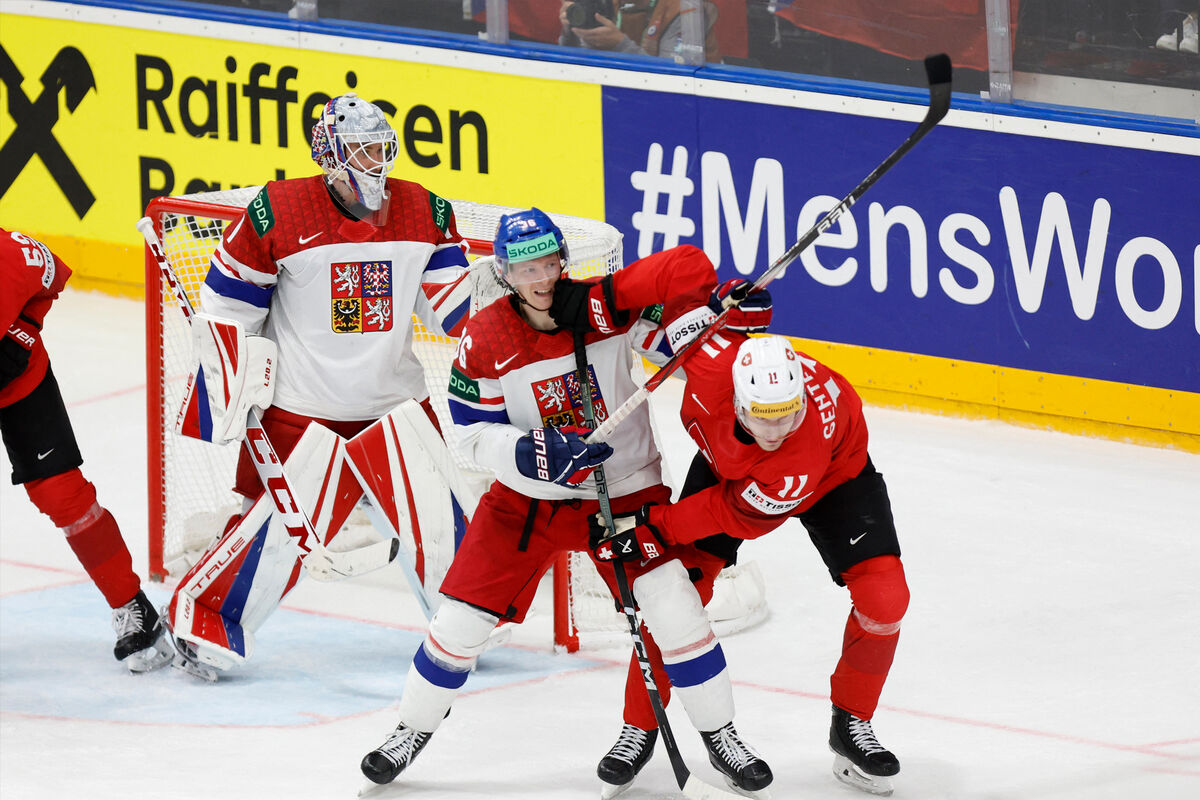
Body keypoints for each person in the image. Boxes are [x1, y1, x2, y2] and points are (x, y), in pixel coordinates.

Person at [359, 209, 773, 797]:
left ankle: (721, 735)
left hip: (624, 490)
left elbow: (675, 343)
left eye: (550, 262)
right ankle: (410, 729)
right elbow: (474, 437)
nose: (542, 277)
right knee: (458, 624)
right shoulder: (484, 338)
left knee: (675, 608)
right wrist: (538, 454)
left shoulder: (602, 309)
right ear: (504, 272)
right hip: (528, 502)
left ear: (563, 261)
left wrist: (722, 316)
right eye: (527, 267)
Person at [550, 244, 910, 796]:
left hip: (835, 477)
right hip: (729, 468)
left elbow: (736, 515)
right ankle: (637, 728)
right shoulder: (711, 358)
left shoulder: (793, 455)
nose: (775, 428)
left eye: (788, 414)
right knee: (677, 592)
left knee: (886, 598)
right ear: (737, 397)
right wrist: (603, 300)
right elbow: (684, 275)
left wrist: (656, 528)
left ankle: (851, 723)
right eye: (763, 416)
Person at [163, 92, 473, 679]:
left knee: (438, 520)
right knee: (273, 532)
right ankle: (201, 618)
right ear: (329, 154)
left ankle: (466, 621)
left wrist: (496, 309)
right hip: (301, 409)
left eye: (382, 147)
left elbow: (449, 310)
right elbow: (227, 307)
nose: (375, 162)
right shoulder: (278, 211)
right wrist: (233, 383)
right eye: (361, 148)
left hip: (395, 404)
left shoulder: (426, 211)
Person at [1, 228, 172, 673]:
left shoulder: (9, 254)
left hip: (18, 383)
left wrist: (23, 331)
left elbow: (53, 271)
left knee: (62, 495)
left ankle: (132, 606)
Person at [559, 0, 721, 63]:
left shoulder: (686, 9)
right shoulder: (605, 3)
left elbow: (675, 79)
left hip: (693, 103)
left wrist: (620, 45)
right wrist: (573, 31)